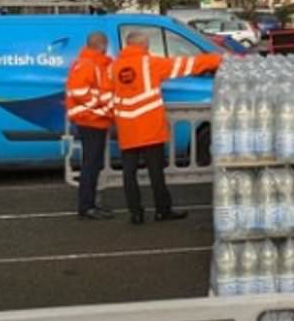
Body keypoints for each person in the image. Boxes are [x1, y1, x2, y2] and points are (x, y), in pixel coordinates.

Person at [109, 31, 222, 224]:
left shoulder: (113, 67)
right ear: (143, 45)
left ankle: (135, 213)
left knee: (129, 173)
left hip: (126, 127)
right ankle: (162, 210)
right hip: (149, 127)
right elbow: (185, 65)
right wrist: (217, 59)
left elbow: (107, 96)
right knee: (155, 172)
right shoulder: (150, 63)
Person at [65, 31, 115, 220]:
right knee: (91, 165)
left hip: (93, 119)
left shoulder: (90, 63)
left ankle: (90, 204)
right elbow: (80, 92)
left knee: (93, 164)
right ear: (102, 45)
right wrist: (103, 107)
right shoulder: (89, 64)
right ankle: (87, 207)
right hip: (90, 120)